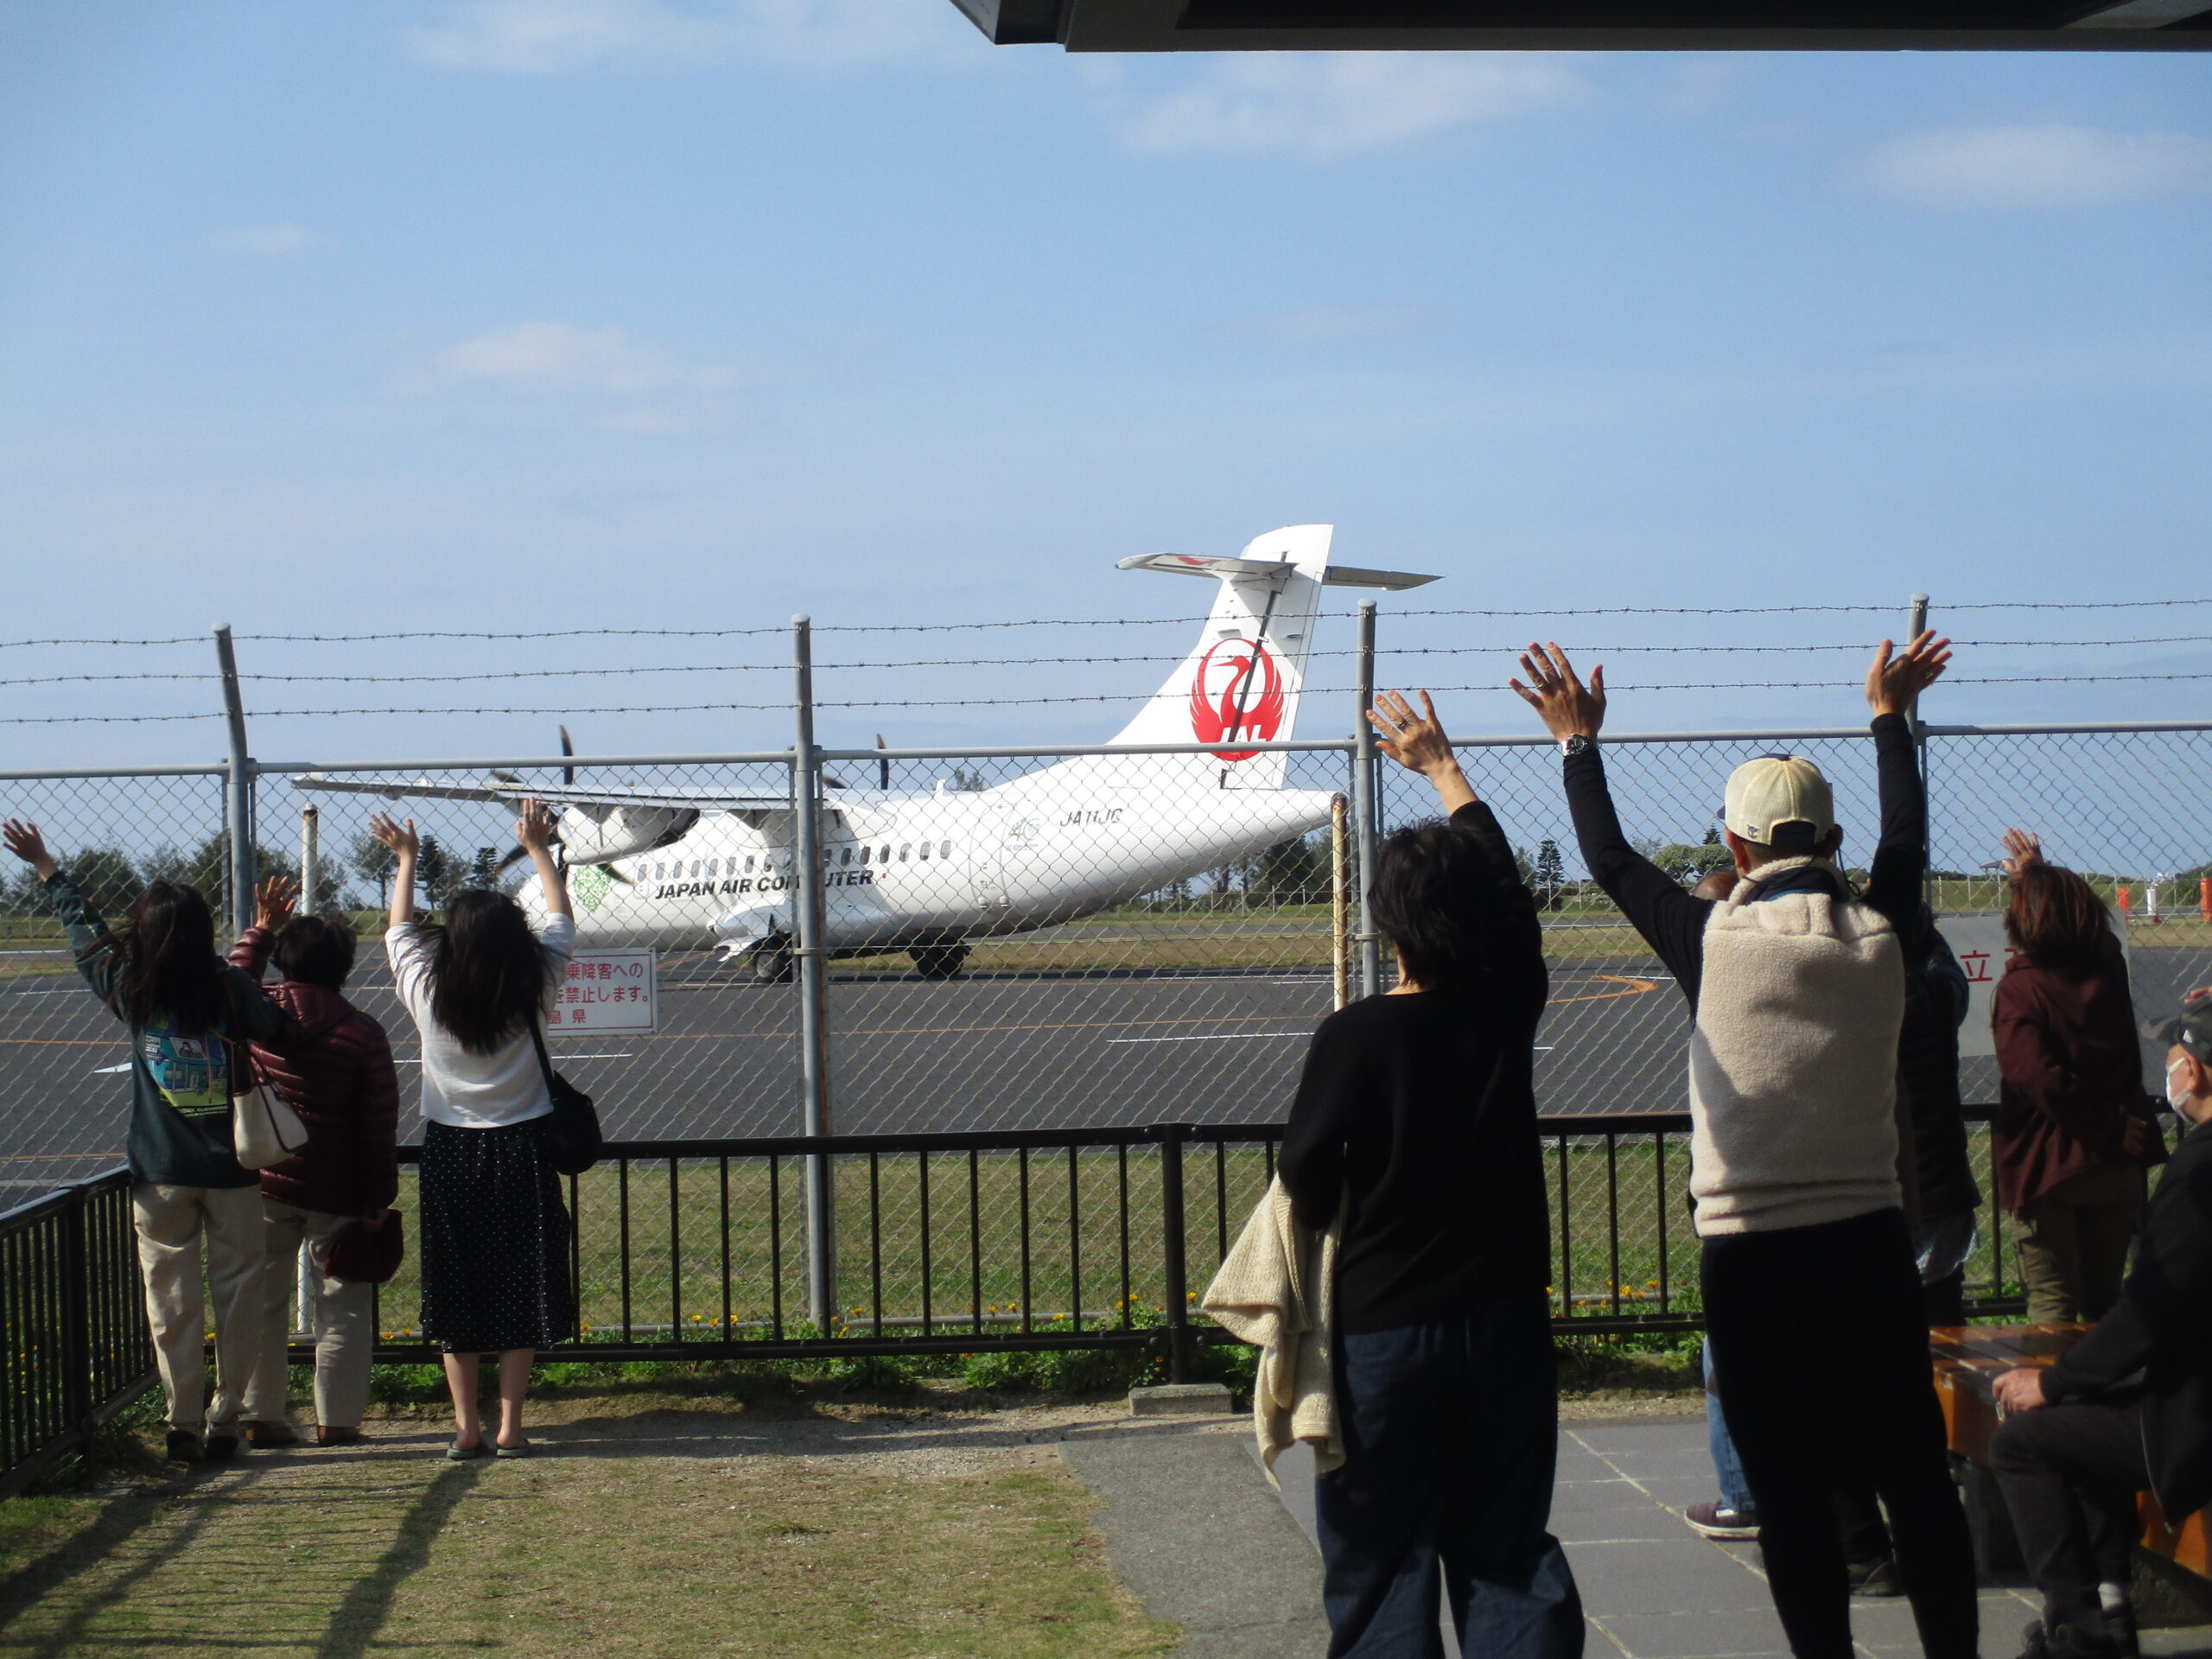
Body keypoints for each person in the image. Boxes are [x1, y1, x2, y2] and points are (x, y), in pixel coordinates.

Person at [1513, 636, 1978, 1659]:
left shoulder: (1711, 940)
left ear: (1733, 845)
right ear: (1834, 839)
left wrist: (1577, 744)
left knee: (1793, 1501)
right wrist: (1888, 718)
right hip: (1870, 1244)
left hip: (1752, 1257)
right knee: (1915, 1480)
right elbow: (1906, 838)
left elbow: (1610, 861)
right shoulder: (1880, 932)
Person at [1278, 691, 1583, 1659]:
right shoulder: (1508, 1004)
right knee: (1505, 1550)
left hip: (1385, 1327)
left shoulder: (1356, 1036)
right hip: (1505, 1315)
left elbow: (1303, 1169)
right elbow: (1512, 904)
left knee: (1380, 1561)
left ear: (1389, 924)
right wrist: (1447, 773)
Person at [2, 819, 288, 1465]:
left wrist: (49, 867)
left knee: (171, 1299)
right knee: (241, 1296)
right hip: (234, 1169)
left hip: (160, 1173)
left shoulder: (132, 988)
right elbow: (275, 1027)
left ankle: (181, 1417)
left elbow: (87, 937)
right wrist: (250, 952)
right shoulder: (228, 988)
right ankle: (227, 1416)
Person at [1986, 998, 2212, 1659]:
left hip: (2197, 1417)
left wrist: (2053, 1382)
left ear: (2194, 1071)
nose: (2167, 1065)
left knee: (2024, 1442)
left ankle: (2077, 1624)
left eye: (2172, 1052)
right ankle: (2109, 1609)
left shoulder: (2199, 1173)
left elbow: (2149, 1309)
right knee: (2087, 1412)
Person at [372, 799, 574, 1460]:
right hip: (524, 1144)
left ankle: (466, 1427)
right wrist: (538, 849)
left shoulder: (428, 993)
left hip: (451, 1148)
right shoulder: (534, 984)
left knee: (455, 1283)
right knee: (522, 1279)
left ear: (452, 942)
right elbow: (561, 921)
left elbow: (399, 933)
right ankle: (512, 1425)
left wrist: (406, 860)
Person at [227, 908, 400, 1449]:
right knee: (343, 1302)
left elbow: (230, 983)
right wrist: (378, 1195)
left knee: (261, 1300)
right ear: (345, 969)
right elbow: (377, 1123)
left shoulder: (256, 1011)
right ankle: (338, 1421)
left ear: (282, 962)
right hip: (338, 1187)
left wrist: (257, 933)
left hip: (264, 1177)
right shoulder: (362, 1032)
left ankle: (260, 1414)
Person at [1993, 830, 2163, 1325]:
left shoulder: (2021, 989)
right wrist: (2039, 877)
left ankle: (2054, 1379)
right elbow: (2103, 940)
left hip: (2049, 1165)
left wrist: (2028, 881)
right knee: (2105, 1301)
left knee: (2053, 1305)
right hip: (2116, 1159)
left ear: (2022, 919)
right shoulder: (2106, 971)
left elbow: (2035, 1076)